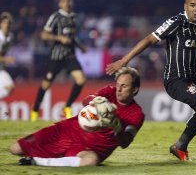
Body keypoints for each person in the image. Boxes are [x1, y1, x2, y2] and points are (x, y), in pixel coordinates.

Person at [106, 0, 196, 162]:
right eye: (192, 5)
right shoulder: (176, 22)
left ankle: (179, 146)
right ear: (185, 6)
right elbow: (149, 39)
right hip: (176, 80)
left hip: (194, 77)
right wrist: (124, 60)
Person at [10, 67, 145, 167]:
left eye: (124, 86)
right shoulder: (109, 91)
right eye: (118, 85)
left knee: (91, 161)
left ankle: (37, 161)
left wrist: (117, 128)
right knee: (15, 148)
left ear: (135, 89)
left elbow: (125, 143)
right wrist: (98, 103)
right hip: (66, 131)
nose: (118, 89)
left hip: (89, 149)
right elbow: (86, 100)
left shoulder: (136, 114)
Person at [30, 0, 86, 121]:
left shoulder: (74, 17)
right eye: (64, 1)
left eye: (69, 1)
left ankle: (67, 106)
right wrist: (58, 37)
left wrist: (80, 46)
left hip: (70, 55)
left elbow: (72, 37)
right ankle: (35, 109)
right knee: (46, 84)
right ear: (60, 3)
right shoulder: (55, 16)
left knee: (81, 80)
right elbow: (44, 35)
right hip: (56, 56)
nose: (67, 4)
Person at [0, 12, 15, 100]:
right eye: (5, 22)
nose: (7, 25)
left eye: (9, 23)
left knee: (10, 87)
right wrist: (6, 59)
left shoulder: (10, 37)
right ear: (0, 24)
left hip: (1, 69)